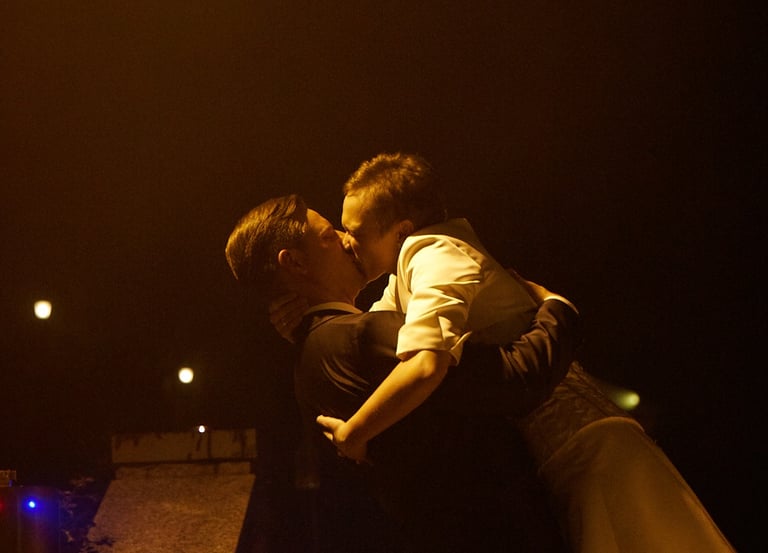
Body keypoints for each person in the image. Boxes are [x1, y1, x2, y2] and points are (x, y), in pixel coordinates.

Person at [309, 152, 735, 553]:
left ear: (401, 231)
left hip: (587, 441)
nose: (347, 242)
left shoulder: (434, 253)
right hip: (558, 451)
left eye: (355, 231)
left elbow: (424, 365)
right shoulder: (406, 272)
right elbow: (366, 338)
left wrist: (354, 434)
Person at [225, 194, 579, 552]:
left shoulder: (307, 367)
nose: (348, 240)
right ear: (296, 263)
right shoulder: (366, 336)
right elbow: (521, 376)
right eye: (329, 235)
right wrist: (554, 305)